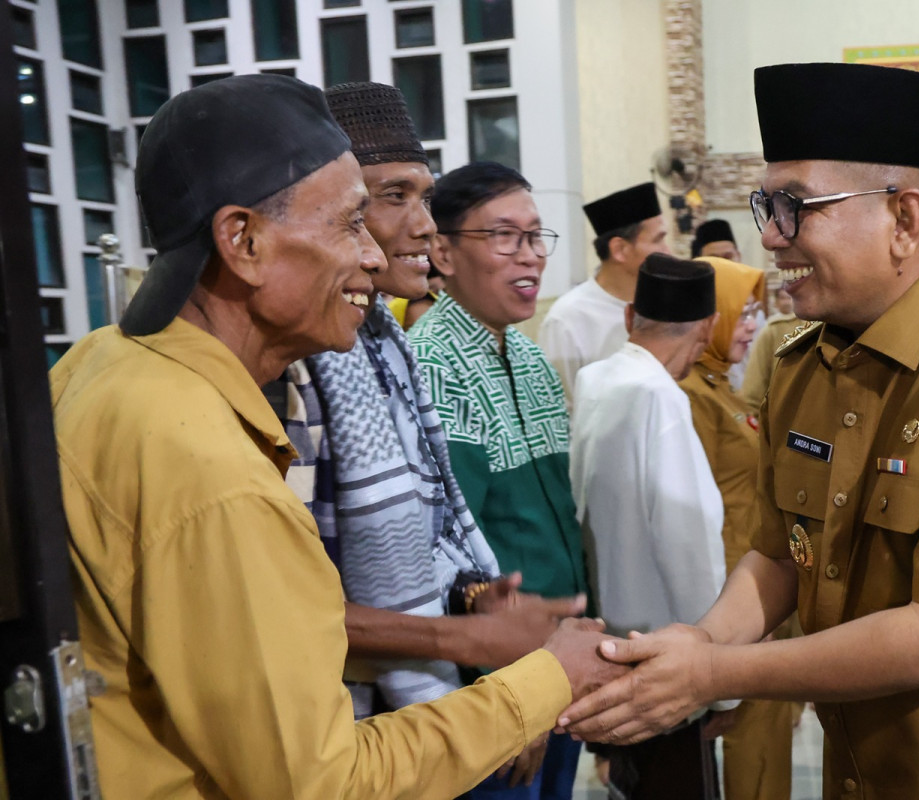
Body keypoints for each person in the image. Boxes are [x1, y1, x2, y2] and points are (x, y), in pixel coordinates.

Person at [558, 61, 919, 799]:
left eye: (796, 206)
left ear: (905, 220)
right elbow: (778, 555)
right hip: (863, 767)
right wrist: (701, 640)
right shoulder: (804, 362)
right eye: (767, 206)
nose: (771, 236)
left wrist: (713, 672)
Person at [50, 74, 620, 800]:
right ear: (243, 241)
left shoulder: (100, 363)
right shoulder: (212, 471)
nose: (375, 256)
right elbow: (320, 782)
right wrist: (545, 680)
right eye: (354, 221)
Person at [277, 82, 587, 795]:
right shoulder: (328, 361)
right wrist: (486, 664)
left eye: (535, 236)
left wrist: (480, 600)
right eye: (393, 197)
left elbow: (439, 535)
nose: (422, 226)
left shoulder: (398, 348)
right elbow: (285, 609)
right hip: (374, 723)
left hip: (509, 662)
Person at [409, 161, 591, 800]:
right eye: (504, 236)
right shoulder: (433, 363)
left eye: (536, 236)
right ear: (443, 253)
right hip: (499, 675)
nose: (530, 255)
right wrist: (505, 687)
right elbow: (445, 549)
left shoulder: (530, 356)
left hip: (556, 655)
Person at [571, 252, 732, 799]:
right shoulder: (659, 396)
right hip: (666, 662)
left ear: (629, 316)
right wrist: (720, 680)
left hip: (606, 646)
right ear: (708, 328)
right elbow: (690, 548)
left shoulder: (596, 380)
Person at [678, 257, 794, 800]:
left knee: (767, 743)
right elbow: (693, 518)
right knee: (749, 750)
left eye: (754, 314)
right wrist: (737, 615)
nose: (751, 327)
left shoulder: (718, 385)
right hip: (733, 597)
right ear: (712, 317)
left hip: (759, 586)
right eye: (741, 314)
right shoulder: (691, 398)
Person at [538, 182, 671, 404]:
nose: (667, 251)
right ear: (620, 249)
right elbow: (560, 409)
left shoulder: (664, 303)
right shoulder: (567, 320)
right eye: (658, 240)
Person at [741, 283, 799, 411]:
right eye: (783, 298)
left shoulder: (817, 325)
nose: (786, 302)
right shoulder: (771, 329)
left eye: (789, 297)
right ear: (776, 302)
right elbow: (754, 389)